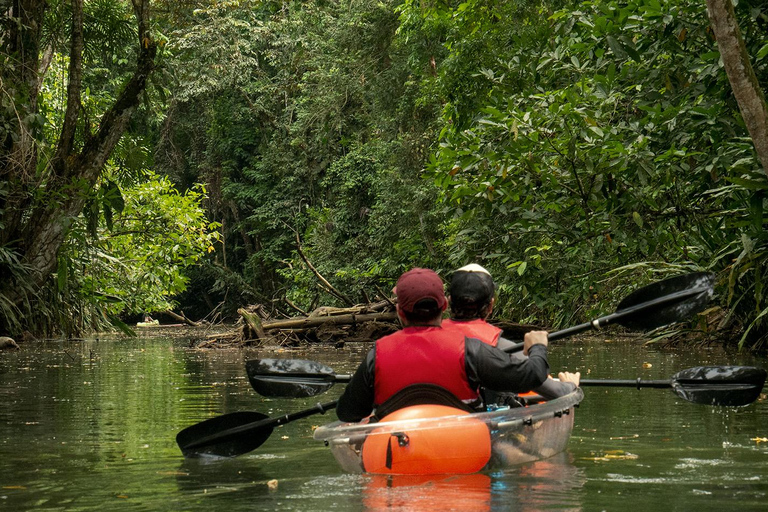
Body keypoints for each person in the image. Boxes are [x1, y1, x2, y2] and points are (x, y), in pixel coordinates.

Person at [335, 267, 552, 422]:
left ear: (400, 311)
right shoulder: (470, 350)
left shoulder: (377, 354)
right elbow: (532, 375)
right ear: (445, 305)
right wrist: (537, 346)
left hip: (394, 453)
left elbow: (347, 413)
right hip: (461, 450)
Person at [442, 263, 580, 400]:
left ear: (448, 302)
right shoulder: (504, 348)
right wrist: (571, 385)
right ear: (491, 305)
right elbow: (557, 392)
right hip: (478, 419)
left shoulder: (429, 340)